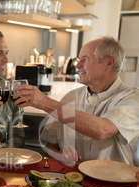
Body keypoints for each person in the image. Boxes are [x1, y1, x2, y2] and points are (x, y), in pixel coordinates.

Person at [12, 36, 139, 166]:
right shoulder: (71, 97)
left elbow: (101, 130)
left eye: (85, 59)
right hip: (71, 182)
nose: (78, 65)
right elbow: (49, 146)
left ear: (108, 63)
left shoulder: (131, 99)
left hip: (114, 184)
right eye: (79, 59)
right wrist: (59, 154)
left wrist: (45, 103)